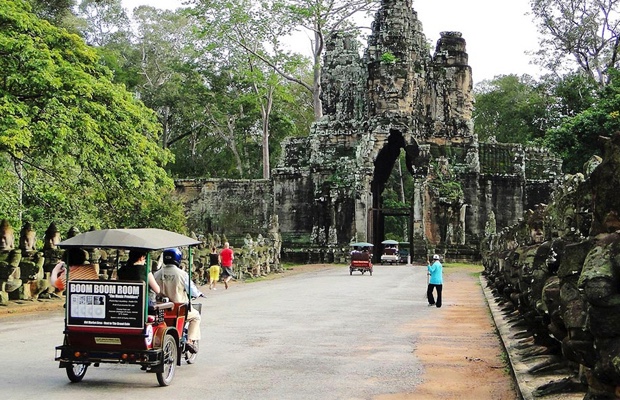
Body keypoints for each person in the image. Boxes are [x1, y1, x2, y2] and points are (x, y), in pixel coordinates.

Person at [155, 248, 203, 351]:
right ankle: (190, 341)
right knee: (196, 317)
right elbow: (193, 291)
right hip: (178, 311)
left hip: (159, 312)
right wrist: (199, 294)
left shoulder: (156, 274)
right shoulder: (182, 274)